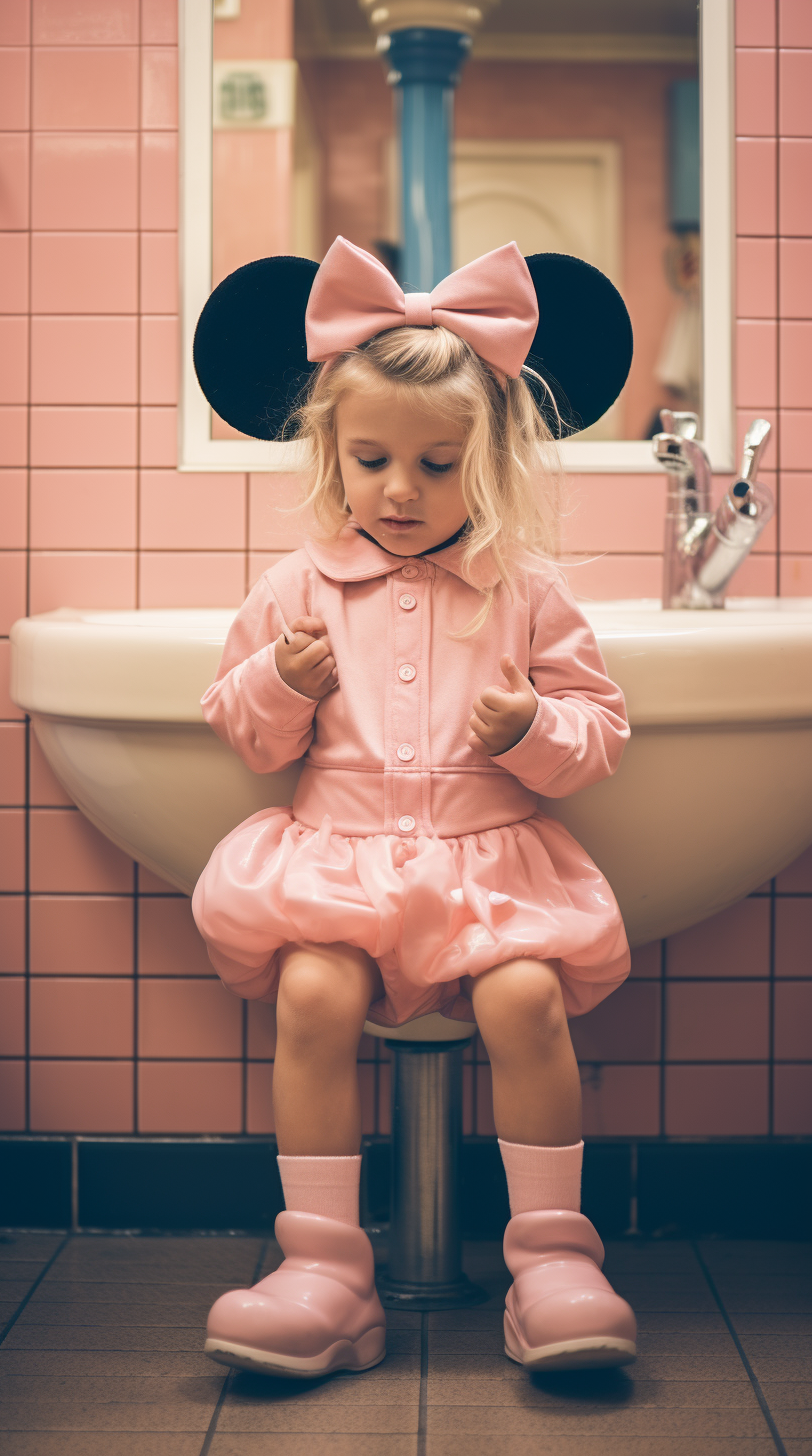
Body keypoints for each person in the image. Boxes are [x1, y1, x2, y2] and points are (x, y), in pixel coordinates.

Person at [190, 237, 638, 1378]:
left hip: (491, 873)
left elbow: (600, 732)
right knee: (311, 990)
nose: (401, 490)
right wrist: (281, 683)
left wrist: (530, 730)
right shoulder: (294, 585)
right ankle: (326, 1269)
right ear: (332, 453)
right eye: (375, 459)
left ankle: (550, 1260)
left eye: (439, 465)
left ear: (488, 461)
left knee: (529, 995)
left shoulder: (525, 590)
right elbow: (240, 734)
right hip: (338, 866)